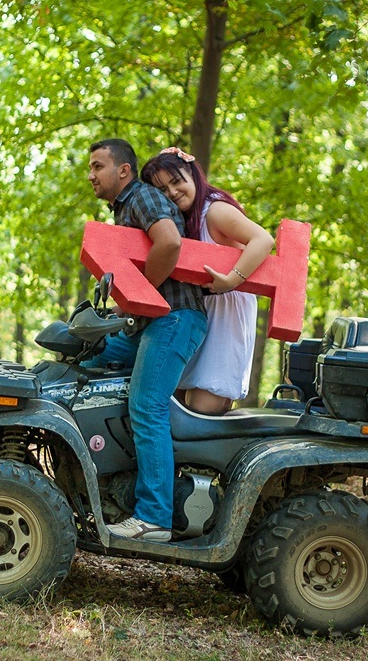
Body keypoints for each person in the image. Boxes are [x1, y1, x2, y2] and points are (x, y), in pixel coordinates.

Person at [85, 139, 207, 542]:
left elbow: (169, 241)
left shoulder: (141, 196)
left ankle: (153, 516)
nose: (91, 176)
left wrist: (139, 296)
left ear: (123, 170)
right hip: (150, 324)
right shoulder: (124, 209)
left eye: (98, 166)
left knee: (147, 404)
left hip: (175, 318)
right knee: (89, 359)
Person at [140, 147, 274, 414]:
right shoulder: (180, 220)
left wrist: (231, 280)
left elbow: (263, 239)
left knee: (205, 404)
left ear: (192, 173)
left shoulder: (214, 211)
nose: (173, 193)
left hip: (227, 309)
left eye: (176, 182)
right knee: (176, 405)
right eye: (163, 190)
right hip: (200, 310)